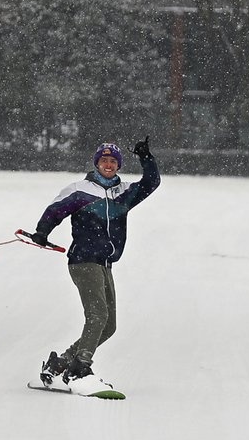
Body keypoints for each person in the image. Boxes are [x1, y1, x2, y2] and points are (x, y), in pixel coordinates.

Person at [30, 137, 160, 387]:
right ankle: (80, 368)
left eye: (113, 161)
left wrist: (146, 158)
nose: (108, 165)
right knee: (98, 315)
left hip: (105, 264)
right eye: (104, 160)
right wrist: (42, 231)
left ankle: (61, 363)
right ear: (97, 163)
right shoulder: (80, 189)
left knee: (108, 326)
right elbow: (55, 210)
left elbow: (151, 182)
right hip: (83, 261)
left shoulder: (124, 193)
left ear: (118, 165)